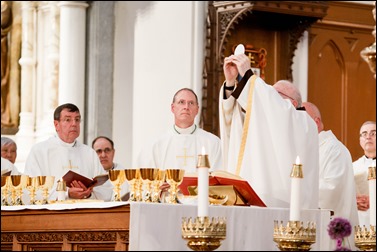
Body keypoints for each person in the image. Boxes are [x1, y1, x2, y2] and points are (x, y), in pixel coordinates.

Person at [219, 52, 319, 209]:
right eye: (269, 93)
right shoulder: (264, 121)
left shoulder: (304, 124)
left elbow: (269, 104)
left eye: (275, 94)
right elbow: (237, 118)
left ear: (292, 103)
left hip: (283, 203)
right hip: (251, 196)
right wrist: (231, 83)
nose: (267, 98)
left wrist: (248, 76)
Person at [23, 103, 112, 201]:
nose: (74, 124)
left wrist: (89, 194)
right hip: (53, 214)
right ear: (56, 125)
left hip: (85, 212)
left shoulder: (89, 153)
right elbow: (30, 190)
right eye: (68, 120)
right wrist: (66, 193)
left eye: (77, 120)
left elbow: (106, 190)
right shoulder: (39, 151)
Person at [137, 88, 223, 173]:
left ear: (197, 109)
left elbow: (219, 178)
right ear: (173, 108)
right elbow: (145, 180)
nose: (186, 107)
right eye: (181, 102)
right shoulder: (156, 145)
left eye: (191, 103)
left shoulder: (213, 143)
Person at [302, 102, 359, 231]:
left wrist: (297, 186)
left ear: (316, 122)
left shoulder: (334, 150)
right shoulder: (309, 149)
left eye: (301, 120)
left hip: (331, 231)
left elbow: (330, 192)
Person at [353, 121, 376, 227]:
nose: (368, 137)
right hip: (360, 224)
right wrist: (354, 201)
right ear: (360, 140)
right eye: (364, 134)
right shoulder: (353, 167)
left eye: (373, 133)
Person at [92, 136, 129, 200]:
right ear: (92, 154)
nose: (103, 155)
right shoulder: (87, 174)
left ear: (113, 152)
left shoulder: (124, 174)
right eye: (99, 151)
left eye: (107, 150)